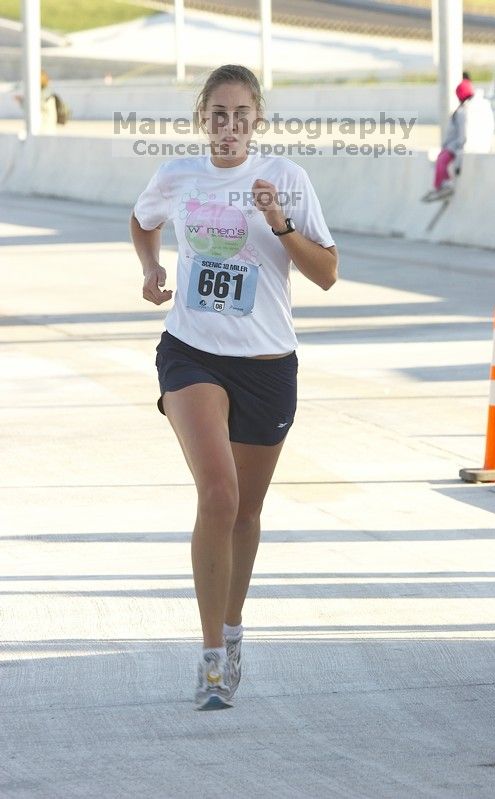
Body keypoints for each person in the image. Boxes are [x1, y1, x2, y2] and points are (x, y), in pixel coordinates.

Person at [130, 64, 338, 710]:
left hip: (268, 365)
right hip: (191, 352)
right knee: (217, 493)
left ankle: (233, 622)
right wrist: (150, 266)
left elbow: (327, 273)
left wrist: (279, 223)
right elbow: (141, 219)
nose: (227, 127)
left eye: (239, 115)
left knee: (245, 511)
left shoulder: (287, 180)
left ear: (256, 121)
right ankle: (211, 655)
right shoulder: (178, 177)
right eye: (216, 115)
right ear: (203, 118)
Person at [423, 74, 476, 202]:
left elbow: (462, 134)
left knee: (441, 161)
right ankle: (441, 184)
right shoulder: (461, 111)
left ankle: (442, 185)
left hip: (454, 147)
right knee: (440, 160)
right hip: (451, 145)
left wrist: (458, 151)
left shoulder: (462, 112)